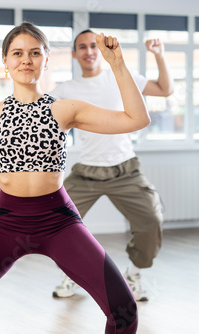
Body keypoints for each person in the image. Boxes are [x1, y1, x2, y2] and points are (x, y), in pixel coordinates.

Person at [0, 22, 149, 334]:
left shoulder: (64, 109)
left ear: (46, 60)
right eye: (18, 53)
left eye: (35, 53)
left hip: (59, 221)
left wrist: (117, 64)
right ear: (6, 61)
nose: (26, 59)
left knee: (124, 311)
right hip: (6, 222)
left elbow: (137, 118)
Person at [50, 29, 171, 302]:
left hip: (125, 170)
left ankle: (134, 274)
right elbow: (37, 108)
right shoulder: (66, 89)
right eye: (82, 46)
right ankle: (72, 275)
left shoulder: (121, 78)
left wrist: (159, 55)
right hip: (85, 174)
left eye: (93, 45)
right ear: (74, 54)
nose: (89, 51)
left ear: (101, 50)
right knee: (56, 224)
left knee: (152, 220)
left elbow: (165, 90)